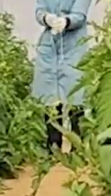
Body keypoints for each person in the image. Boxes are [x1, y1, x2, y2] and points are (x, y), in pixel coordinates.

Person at [32, 0, 92, 152]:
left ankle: (77, 144)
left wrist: (66, 21)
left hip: (74, 44)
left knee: (75, 90)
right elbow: (40, 10)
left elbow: (80, 15)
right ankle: (53, 143)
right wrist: (47, 19)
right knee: (49, 93)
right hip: (49, 45)